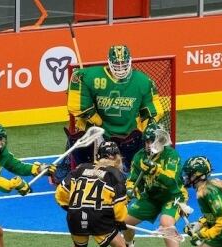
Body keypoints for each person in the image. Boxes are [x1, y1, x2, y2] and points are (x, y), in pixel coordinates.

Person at [54, 141, 151, 247]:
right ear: (117, 157)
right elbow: (119, 208)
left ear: (98, 157)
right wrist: (119, 222)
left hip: (75, 215)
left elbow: (60, 194)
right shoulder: (116, 175)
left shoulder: (80, 168)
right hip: (99, 217)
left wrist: (71, 208)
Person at [65, 44, 165, 172]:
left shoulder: (143, 81)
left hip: (129, 137)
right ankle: (74, 168)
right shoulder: (92, 77)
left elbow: (152, 111)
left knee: (133, 170)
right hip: (98, 134)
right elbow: (77, 77)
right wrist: (93, 117)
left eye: (123, 64)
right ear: (109, 62)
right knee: (88, 167)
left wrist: (148, 132)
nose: (120, 68)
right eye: (117, 64)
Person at [119, 123, 187, 247]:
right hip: (151, 197)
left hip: (173, 196)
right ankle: (129, 246)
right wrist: (131, 190)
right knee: (124, 221)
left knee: (166, 223)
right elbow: (133, 179)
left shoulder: (172, 156)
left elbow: (171, 182)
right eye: (147, 141)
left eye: (152, 141)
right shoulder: (139, 157)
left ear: (161, 141)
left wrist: (156, 170)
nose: (149, 145)